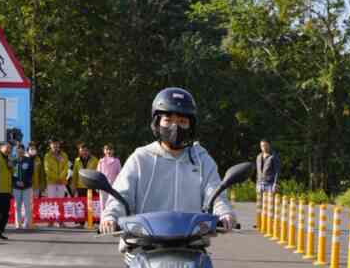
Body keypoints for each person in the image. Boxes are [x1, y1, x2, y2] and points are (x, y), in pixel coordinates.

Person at [100, 87, 235, 233]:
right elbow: (122, 195)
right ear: (157, 124)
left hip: (192, 245)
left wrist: (224, 213)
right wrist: (110, 216)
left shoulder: (202, 160)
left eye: (182, 121)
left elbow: (215, 194)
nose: (175, 127)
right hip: (143, 244)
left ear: (191, 126)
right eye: (168, 120)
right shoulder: (140, 158)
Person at [43, 139, 69, 227]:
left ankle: (60, 221)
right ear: (50, 145)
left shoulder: (64, 155)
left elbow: (66, 168)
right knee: (51, 201)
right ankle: (51, 221)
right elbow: (47, 169)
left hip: (62, 182)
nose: (55, 147)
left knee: (61, 201)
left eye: (57, 145)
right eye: (53, 145)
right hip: (51, 182)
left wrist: (61, 177)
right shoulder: (47, 156)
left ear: (59, 145)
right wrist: (56, 178)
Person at [255, 139, 281, 215]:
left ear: (269, 145)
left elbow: (277, 171)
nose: (264, 147)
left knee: (270, 205)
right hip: (260, 183)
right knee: (259, 205)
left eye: (265, 145)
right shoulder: (258, 157)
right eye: (262, 146)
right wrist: (257, 183)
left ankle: (270, 222)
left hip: (270, 184)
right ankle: (260, 222)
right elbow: (258, 171)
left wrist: (275, 183)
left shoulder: (274, 157)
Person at [12, 143, 34, 229]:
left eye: (21, 151)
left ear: (24, 151)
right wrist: (16, 182)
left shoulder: (29, 160)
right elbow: (11, 174)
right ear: (16, 151)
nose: (20, 152)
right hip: (16, 187)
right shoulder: (13, 161)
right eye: (18, 151)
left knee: (27, 205)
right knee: (17, 205)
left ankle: (26, 223)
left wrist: (24, 182)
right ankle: (18, 223)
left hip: (27, 187)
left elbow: (31, 173)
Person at [97, 144, 121, 209]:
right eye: (106, 149)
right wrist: (97, 186)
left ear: (113, 151)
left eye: (110, 149)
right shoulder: (101, 161)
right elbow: (98, 174)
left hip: (113, 187)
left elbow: (120, 174)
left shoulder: (117, 161)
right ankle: (103, 218)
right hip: (103, 187)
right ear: (104, 151)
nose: (108, 151)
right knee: (103, 205)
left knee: (112, 204)